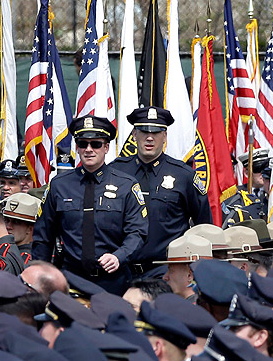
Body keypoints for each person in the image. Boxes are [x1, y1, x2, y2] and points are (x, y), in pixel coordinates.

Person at [31, 116, 147, 294]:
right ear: (76, 147)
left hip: (114, 281)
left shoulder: (126, 185)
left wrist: (119, 256)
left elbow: (137, 232)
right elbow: (43, 237)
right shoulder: (59, 185)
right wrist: (41, 277)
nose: (89, 149)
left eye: (96, 144)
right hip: (71, 279)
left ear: (106, 147)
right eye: (83, 144)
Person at [112, 107, 211, 278]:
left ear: (165, 137)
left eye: (156, 132)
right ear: (134, 134)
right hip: (120, 271)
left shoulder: (183, 175)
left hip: (165, 273)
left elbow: (203, 227)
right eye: (144, 131)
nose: (150, 137)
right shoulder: (115, 172)